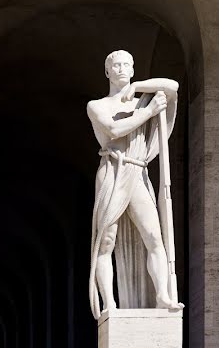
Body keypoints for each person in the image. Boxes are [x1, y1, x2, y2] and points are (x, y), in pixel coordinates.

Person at [86, 49, 184, 317]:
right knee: (107, 240)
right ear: (107, 71)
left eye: (126, 64)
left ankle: (162, 295)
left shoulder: (139, 99)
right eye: (115, 65)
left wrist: (141, 88)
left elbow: (173, 87)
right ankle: (109, 303)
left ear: (132, 69)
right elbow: (115, 130)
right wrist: (150, 110)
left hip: (137, 170)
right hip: (112, 170)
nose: (120, 69)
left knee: (154, 236)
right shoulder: (98, 105)